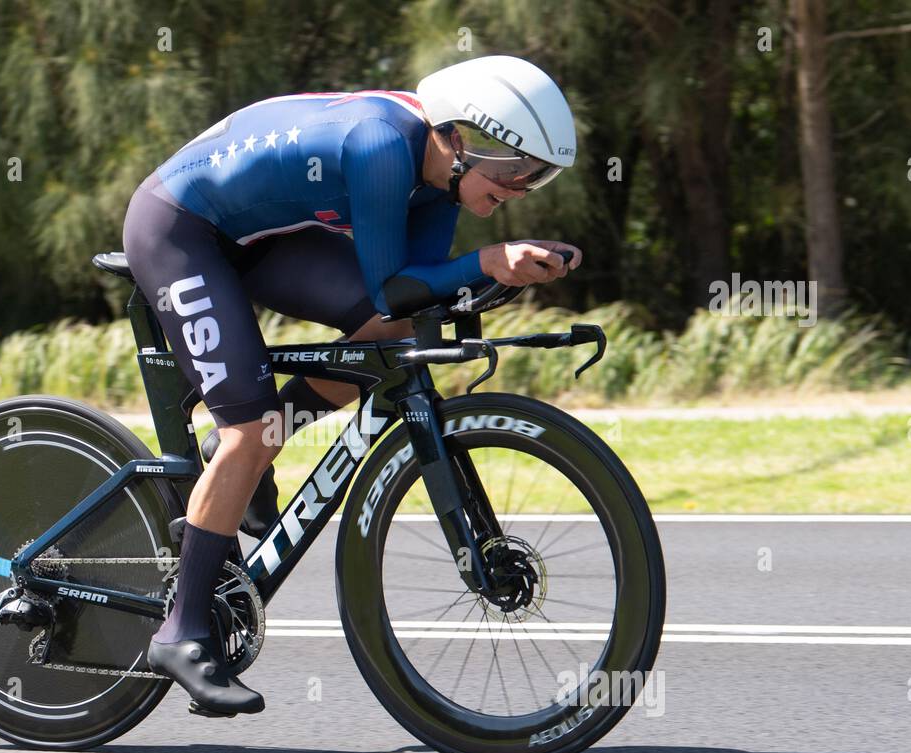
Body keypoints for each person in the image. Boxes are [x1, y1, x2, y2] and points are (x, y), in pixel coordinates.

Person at [122, 54, 582, 716]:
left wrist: (497, 277)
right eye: (514, 170)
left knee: (393, 336)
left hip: (256, 236)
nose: (519, 189)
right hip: (180, 228)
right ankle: (183, 629)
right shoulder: (381, 146)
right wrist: (487, 262)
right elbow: (393, 284)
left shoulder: (436, 178)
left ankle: (250, 464)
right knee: (246, 432)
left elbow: (414, 297)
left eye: (536, 179)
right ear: (457, 137)